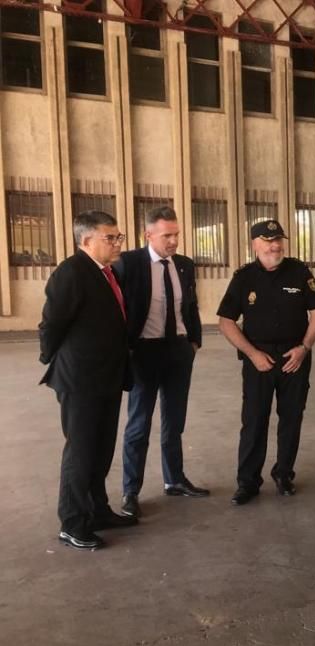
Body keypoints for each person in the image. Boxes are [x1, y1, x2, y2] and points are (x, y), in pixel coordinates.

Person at [39, 211, 137, 550]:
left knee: (101, 450)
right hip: (80, 380)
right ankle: (72, 521)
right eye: (110, 238)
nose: (117, 243)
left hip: (107, 376)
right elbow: (52, 325)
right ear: (86, 241)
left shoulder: (109, 272)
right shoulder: (72, 272)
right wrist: (54, 359)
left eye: (118, 236)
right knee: (80, 452)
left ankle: (97, 510)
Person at [217, 220, 315, 504]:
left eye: (278, 240)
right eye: (267, 241)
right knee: (253, 420)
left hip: (295, 358)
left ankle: (284, 474)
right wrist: (252, 354)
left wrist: (304, 347)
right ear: (254, 244)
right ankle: (247, 482)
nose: (274, 246)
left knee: (291, 419)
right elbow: (226, 321)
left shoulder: (300, 272)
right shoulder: (244, 278)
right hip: (258, 360)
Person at [114, 206, 209, 519]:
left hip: (179, 351)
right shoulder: (128, 263)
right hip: (144, 352)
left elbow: (190, 305)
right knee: (139, 424)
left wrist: (193, 340)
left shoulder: (183, 265)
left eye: (176, 234)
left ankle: (174, 479)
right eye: (166, 235)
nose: (173, 241)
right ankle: (131, 491)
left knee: (174, 420)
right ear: (148, 235)